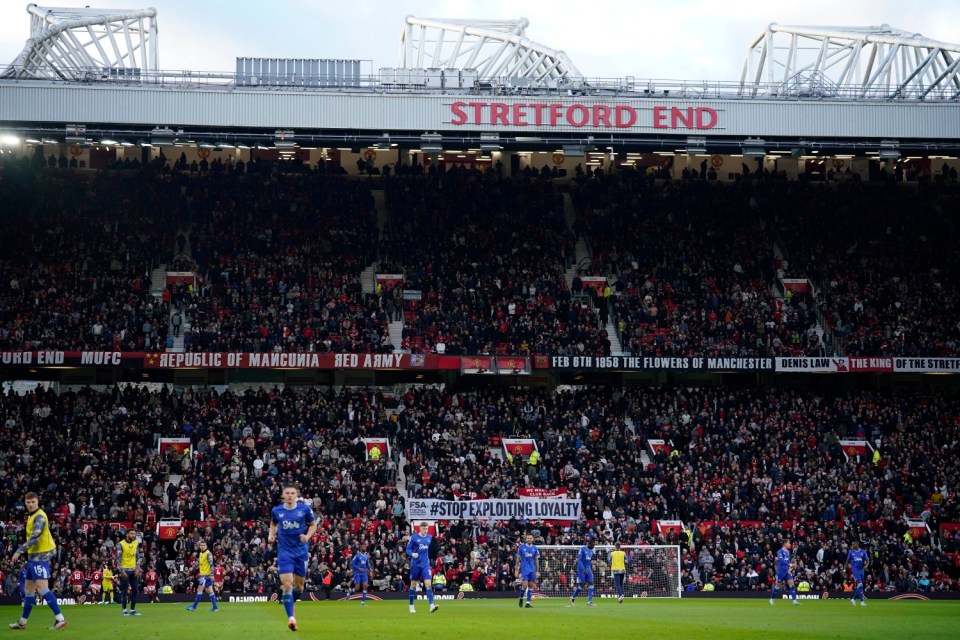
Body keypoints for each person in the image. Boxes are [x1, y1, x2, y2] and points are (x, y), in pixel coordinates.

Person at [7, 491, 68, 630]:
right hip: (33, 556)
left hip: (41, 555)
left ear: (37, 501)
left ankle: (60, 619)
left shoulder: (40, 516)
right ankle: (22, 622)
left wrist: (18, 550)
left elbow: (35, 537)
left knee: (42, 588)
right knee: (29, 590)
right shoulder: (31, 516)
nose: (30, 504)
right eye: (28, 502)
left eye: (33, 502)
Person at [268, 484, 318, 632]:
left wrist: (307, 536)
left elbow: (313, 525)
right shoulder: (277, 510)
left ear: (296, 495)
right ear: (283, 495)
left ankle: (291, 603)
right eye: (287, 493)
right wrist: (271, 535)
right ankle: (291, 618)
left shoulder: (304, 509)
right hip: (284, 552)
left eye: (292, 493)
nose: (290, 495)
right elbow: (273, 524)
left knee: (299, 587)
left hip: (301, 552)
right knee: (287, 584)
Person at [405, 522, 438, 614]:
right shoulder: (414, 537)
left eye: (427, 529)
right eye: (424, 529)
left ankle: (431, 605)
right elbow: (407, 549)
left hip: (425, 565)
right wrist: (412, 554)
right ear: (420, 528)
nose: (425, 530)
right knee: (413, 585)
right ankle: (411, 606)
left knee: (428, 584)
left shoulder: (429, 538)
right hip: (415, 565)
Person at [185, 541, 219, 612]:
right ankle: (215, 607)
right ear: (199, 546)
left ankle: (194, 607)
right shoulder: (200, 553)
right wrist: (193, 567)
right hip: (205, 575)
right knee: (210, 590)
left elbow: (211, 564)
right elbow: (200, 562)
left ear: (206, 546)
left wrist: (212, 574)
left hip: (205, 575)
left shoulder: (208, 554)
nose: (202, 546)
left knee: (199, 590)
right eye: (201, 545)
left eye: (204, 545)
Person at [119, 528, 144, 616]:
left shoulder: (136, 543)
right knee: (125, 590)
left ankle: (132, 610)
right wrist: (121, 570)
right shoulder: (121, 544)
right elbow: (118, 559)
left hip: (134, 570)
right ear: (127, 534)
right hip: (125, 570)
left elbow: (138, 557)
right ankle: (124, 609)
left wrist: (138, 569)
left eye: (134, 534)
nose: (134, 535)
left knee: (135, 590)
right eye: (132, 534)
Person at [769, 539, 799, 606]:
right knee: (777, 587)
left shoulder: (788, 552)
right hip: (781, 572)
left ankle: (794, 601)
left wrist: (790, 568)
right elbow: (781, 561)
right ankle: (771, 599)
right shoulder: (779, 551)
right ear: (785, 543)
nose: (789, 544)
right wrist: (790, 565)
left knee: (792, 586)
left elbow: (788, 561)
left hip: (787, 572)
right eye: (788, 543)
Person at [570, 536, 595, 606]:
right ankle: (572, 597)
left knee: (591, 583)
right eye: (593, 545)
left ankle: (589, 601)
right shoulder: (582, 549)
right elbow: (579, 560)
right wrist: (583, 569)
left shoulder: (591, 551)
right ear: (589, 544)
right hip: (581, 569)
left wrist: (590, 567)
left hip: (588, 568)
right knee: (582, 585)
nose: (594, 546)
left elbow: (589, 561)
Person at [516, 533, 539, 609]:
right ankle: (521, 598)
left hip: (532, 569)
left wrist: (537, 571)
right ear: (526, 539)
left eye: (530, 538)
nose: (529, 539)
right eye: (528, 538)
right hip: (524, 569)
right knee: (524, 586)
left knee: (531, 586)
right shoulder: (522, 547)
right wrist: (516, 570)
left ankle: (528, 603)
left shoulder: (535, 548)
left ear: (532, 539)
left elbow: (536, 560)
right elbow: (517, 559)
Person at [846, 540, 869, 607]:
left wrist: (866, 565)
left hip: (861, 570)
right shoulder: (851, 552)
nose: (852, 546)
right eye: (852, 544)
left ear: (857, 544)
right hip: (855, 570)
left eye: (853, 544)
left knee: (860, 586)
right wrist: (845, 569)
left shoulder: (863, 552)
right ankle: (862, 602)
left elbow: (867, 560)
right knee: (860, 584)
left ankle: (853, 599)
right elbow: (847, 561)